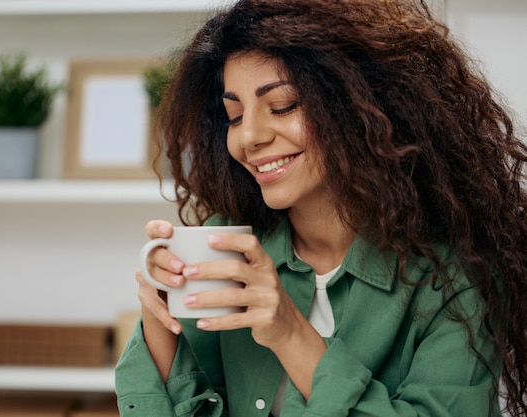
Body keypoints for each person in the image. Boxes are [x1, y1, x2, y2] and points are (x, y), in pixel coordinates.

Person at [115, 0, 527, 416]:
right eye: (234, 115)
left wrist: (290, 332)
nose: (250, 136)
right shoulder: (230, 247)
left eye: (283, 106)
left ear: (360, 106)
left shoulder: (453, 281)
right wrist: (159, 319)